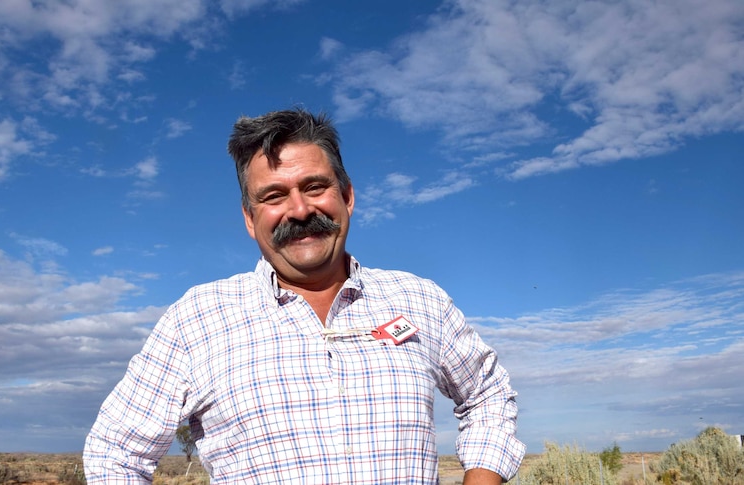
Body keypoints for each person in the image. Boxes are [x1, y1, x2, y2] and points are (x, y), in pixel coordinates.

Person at [83, 108, 525, 484]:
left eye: (314, 187)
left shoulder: (419, 300)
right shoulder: (197, 319)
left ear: (347, 196)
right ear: (249, 218)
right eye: (274, 196)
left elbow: (487, 394)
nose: (299, 210)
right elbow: (114, 453)